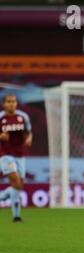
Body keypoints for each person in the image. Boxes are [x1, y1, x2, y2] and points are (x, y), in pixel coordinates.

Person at [0, 94, 32, 223]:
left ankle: (14, 214)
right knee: (16, 182)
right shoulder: (1, 117)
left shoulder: (23, 117)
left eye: (14, 101)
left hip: (20, 155)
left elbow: (28, 131)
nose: (12, 104)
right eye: (9, 102)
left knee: (19, 186)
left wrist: (29, 138)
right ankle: (16, 216)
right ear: (4, 104)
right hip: (5, 155)